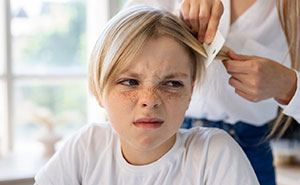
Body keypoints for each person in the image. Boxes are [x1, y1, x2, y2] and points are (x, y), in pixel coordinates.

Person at [34, 6, 259, 185]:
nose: (150, 100)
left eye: (172, 83)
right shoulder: (85, 148)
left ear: (190, 92)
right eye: (130, 82)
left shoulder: (215, 155)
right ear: (98, 90)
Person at [124, 0, 300, 185]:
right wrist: (173, 21)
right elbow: (124, 32)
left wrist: (289, 85)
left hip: (250, 147)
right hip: (167, 136)